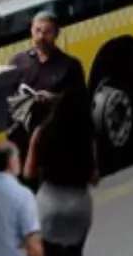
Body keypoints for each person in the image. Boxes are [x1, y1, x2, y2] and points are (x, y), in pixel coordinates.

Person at [24, 87, 99, 256]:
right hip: (79, 204)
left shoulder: (42, 133)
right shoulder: (87, 136)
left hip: (50, 204)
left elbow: (28, 172)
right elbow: (94, 177)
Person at [8, 10, 88, 179]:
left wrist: (56, 99)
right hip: (21, 143)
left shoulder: (69, 66)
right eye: (37, 31)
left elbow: (82, 110)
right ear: (31, 31)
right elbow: (8, 101)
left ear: (56, 34)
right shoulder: (18, 62)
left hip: (55, 146)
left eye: (47, 32)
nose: (41, 36)